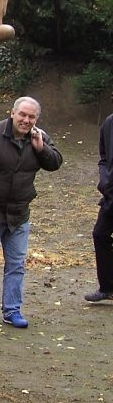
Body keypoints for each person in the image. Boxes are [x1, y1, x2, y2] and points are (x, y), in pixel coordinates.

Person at [0, 96, 63, 328]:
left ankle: (12, 310)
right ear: (12, 113)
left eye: (31, 117)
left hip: (19, 214)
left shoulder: (39, 137)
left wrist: (41, 148)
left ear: (36, 119)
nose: (26, 120)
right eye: (22, 115)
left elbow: (55, 162)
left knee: (16, 266)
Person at [85, 109, 113, 303]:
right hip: (110, 193)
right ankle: (107, 287)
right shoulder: (109, 122)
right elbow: (103, 157)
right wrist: (105, 180)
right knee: (100, 234)